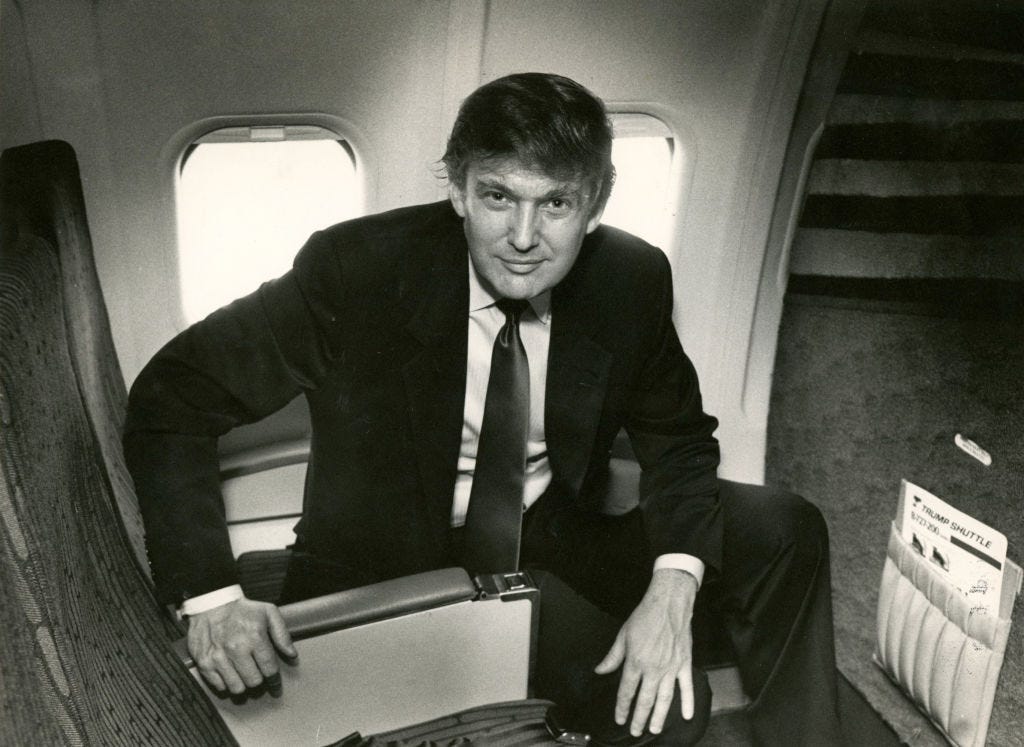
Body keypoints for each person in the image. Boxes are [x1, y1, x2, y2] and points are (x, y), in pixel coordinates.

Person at [125, 72, 842, 745]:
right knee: (674, 714)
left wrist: (674, 584)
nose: (525, 238)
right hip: (391, 565)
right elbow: (172, 394)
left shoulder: (632, 277)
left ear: (595, 205)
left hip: (556, 530)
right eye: (499, 196)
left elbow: (680, 440)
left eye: (556, 203)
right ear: (460, 190)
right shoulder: (359, 272)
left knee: (785, 526)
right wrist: (212, 596)